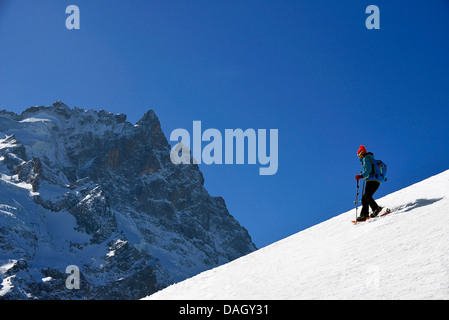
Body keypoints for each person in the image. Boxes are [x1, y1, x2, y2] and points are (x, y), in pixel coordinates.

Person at [355, 145, 383, 221]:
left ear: (361, 154)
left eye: (358, 155)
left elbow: (368, 170)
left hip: (372, 180)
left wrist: (361, 176)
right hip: (376, 180)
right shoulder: (370, 158)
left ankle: (376, 208)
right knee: (364, 198)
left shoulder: (366, 159)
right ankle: (364, 214)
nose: (358, 157)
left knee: (367, 196)